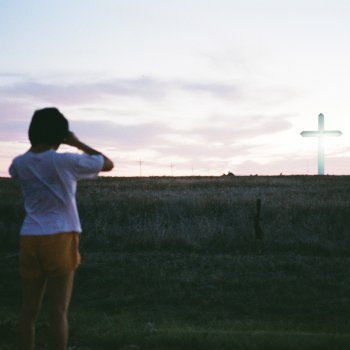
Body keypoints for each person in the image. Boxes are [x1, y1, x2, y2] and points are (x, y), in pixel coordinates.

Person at [9, 107, 114, 350]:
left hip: (29, 237)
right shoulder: (65, 162)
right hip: (61, 236)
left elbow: (17, 170)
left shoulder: (19, 164)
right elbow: (107, 164)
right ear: (60, 135)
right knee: (58, 312)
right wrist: (77, 143)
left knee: (28, 312)